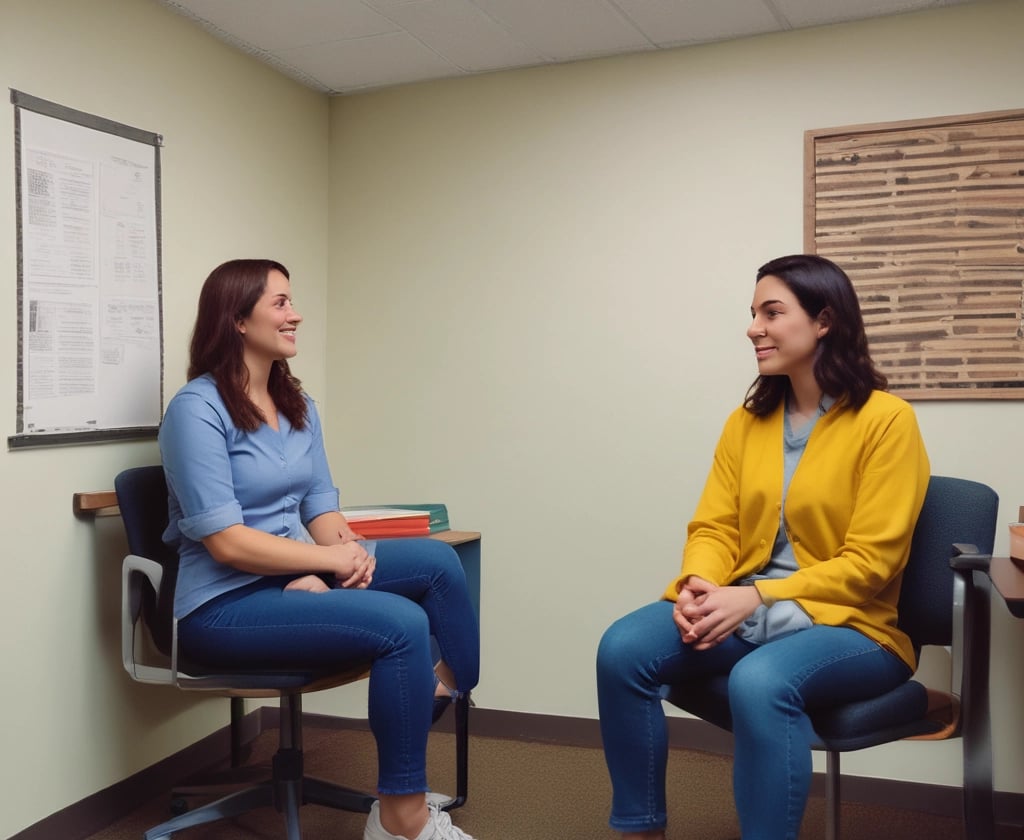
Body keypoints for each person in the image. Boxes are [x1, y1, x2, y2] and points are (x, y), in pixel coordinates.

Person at [596, 254, 930, 840]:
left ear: (824, 321)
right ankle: (640, 829)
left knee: (760, 682)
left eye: (772, 312)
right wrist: (700, 585)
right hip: (748, 610)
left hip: (855, 628)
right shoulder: (746, 423)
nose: (754, 327)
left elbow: (872, 563)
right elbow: (715, 528)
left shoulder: (888, 422)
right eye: (753, 314)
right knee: (623, 649)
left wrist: (756, 597)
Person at [159, 258, 480, 840]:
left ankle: (440, 689)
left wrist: (347, 558)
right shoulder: (196, 410)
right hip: (222, 607)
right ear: (236, 319)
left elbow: (320, 509)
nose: (295, 313)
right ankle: (400, 819)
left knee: (439, 562)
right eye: (280, 303)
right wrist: (323, 565)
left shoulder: (297, 405)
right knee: (399, 623)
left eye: (292, 300)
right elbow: (227, 542)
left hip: (291, 581)